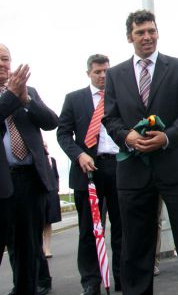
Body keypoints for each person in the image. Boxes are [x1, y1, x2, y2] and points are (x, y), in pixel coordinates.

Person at [102, 10, 178, 294]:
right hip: (133, 171)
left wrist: (167, 137)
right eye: (140, 32)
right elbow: (110, 117)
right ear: (129, 36)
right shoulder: (115, 75)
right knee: (136, 243)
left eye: (151, 31)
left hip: (175, 165)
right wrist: (127, 136)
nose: (147, 37)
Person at [57, 54, 123, 295]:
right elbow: (63, 134)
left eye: (106, 71)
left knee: (122, 227)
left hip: (118, 167)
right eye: (98, 72)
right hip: (88, 171)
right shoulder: (74, 99)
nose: (103, 75)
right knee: (89, 230)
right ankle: (91, 281)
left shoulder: (120, 96)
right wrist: (79, 155)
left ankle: (122, 277)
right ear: (89, 73)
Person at [0, 43, 59, 295]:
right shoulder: (11, 94)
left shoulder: (27, 90)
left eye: (6, 59)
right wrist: (10, 98)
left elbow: (50, 121)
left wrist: (26, 100)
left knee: (28, 250)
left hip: (29, 182)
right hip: (2, 183)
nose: (3, 64)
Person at [42, 141, 61, 258]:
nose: (45, 148)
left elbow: (56, 176)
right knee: (39, 223)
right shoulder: (37, 160)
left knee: (48, 222)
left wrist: (56, 189)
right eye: (43, 146)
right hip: (41, 194)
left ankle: (47, 249)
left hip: (52, 194)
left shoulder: (52, 160)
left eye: (46, 145)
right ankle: (39, 249)